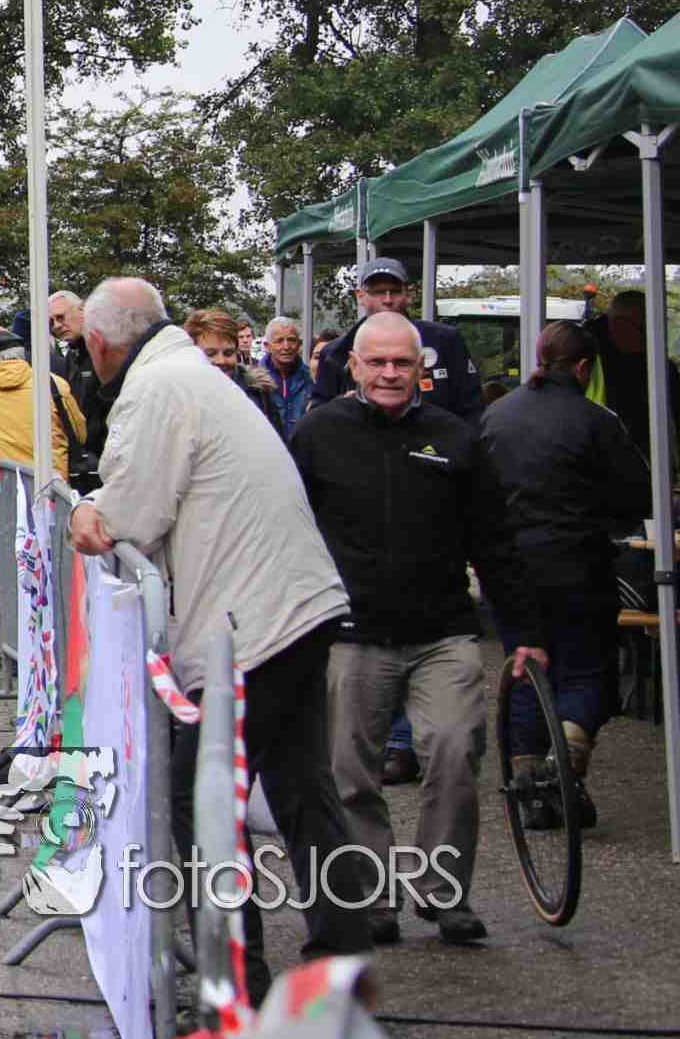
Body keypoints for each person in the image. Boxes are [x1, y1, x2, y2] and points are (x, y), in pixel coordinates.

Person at [68, 277, 374, 992]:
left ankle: (237, 981)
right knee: (301, 787)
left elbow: (132, 517)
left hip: (253, 625)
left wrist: (87, 512)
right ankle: (342, 951)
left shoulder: (156, 387)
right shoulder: (192, 374)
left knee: (197, 797)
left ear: (99, 343)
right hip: (297, 607)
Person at [291, 311, 538, 947]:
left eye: (402, 362)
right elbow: (288, 532)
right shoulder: (318, 434)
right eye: (377, 362)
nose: (390, 373)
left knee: (455, 753)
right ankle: (372, 897)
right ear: (354, 366)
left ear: (422, 368)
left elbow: (495, 541)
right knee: (351, 774)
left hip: (442, 632)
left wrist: (524, 633)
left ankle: (443, 891)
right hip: (351, 633)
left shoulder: (455, 437)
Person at [480, 320, 654, 830]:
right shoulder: (596, 421)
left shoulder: (496, 416)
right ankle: (566, 765)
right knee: (586, 670)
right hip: (578, 566)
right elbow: (636, 496)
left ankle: (529, 785)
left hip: (510, 571)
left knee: (523, 668)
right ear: (583, 368)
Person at [312, 257, 481, 420]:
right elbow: (317, 414)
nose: (387, 300)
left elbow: (472, 409)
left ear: (408, 295)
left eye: (395, 291)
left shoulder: (444, 341)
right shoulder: (335, 352)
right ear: (360, 296)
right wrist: (342, 406)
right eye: (378, 292)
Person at [0, 325, 85, 477]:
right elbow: (79, 433)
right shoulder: (54, 383)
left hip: (6, 480)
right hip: (52, 479)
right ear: (22, 354)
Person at [586, 289, 680, 441]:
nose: (651, 338)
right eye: (646, 329)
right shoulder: (581, 361)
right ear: (619, 325)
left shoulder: (661, 368)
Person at [185, 306, 283, 432]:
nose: (221, 360)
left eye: (228, 353)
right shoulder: (179, 399)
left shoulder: (259, 393)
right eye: (210, 354)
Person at [47, 291, 104, 487]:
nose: (56, 326)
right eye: (51, 322)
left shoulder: (103, 349)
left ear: (82, 310)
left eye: (61, 317)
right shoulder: (73, 356)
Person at [258, 315, 314, 440]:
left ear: (299, 344)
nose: (286, 346)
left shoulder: (311, 378)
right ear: (267, 346)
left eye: (291, 340)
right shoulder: (255, 380)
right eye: (279, 341)